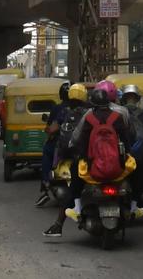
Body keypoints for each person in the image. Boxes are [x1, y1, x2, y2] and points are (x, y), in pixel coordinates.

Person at [43, 81, 129, 239]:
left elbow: (76, 139)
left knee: (74, 186)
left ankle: (59, 224)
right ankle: (137, 206)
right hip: (117, 167)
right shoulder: (118, 117)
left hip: (92, 167)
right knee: (131, 182)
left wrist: (80, 153)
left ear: (93, 104)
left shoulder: (88, 118)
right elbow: (128, 139)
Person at [121, 83, 143, 221]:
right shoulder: (142, 114)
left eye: (131, 97)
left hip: (122, 154)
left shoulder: (119, 112)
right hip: (135, 155)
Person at [35, 81, 70, 209]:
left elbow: (51, 128)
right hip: (79, 144)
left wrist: (49, 131)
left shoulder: (58, 109)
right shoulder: (86, 108)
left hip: (61, 144)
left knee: (47, 151)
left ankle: (45, 186)